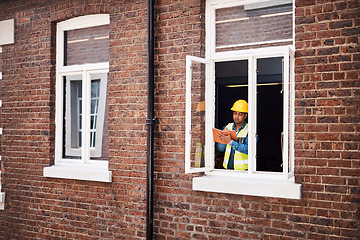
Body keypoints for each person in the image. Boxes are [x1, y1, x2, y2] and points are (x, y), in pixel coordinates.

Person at [216, 100, 249, 170]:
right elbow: (220, 149)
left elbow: (248, 149)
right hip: (227, 169)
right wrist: (223, 138)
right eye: (235, 113)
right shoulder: (227, 127)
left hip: (243, 171)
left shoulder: (250, 130)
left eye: (240, 114)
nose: (236, 116)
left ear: (245, 116)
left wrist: (230, 142)